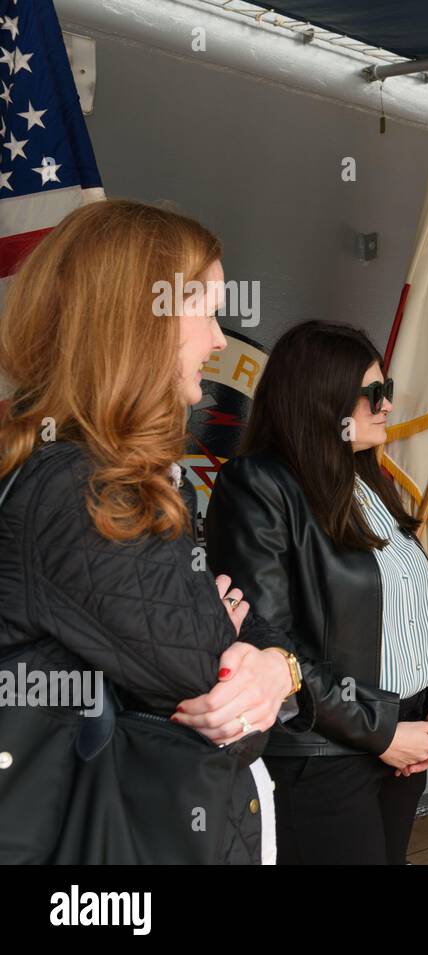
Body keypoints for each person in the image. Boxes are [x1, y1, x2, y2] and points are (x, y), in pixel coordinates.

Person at [0, 199, 297, 864]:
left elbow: (230, 635)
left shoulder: (81, 469)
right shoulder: (86, 488)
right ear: (139, 320)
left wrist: (276, 665)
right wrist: (257, 667)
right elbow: (221, 709)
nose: (220, 339)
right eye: (207, 310)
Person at [205, 321, 428, 865]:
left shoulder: (371, 481)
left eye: (385, 391)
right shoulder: (258, 485)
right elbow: (266, 642)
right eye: (373, 394)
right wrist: (383, 732)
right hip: (324, 756)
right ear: (323, 400)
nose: (387, 405)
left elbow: (406, 609)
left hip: (400, 740)